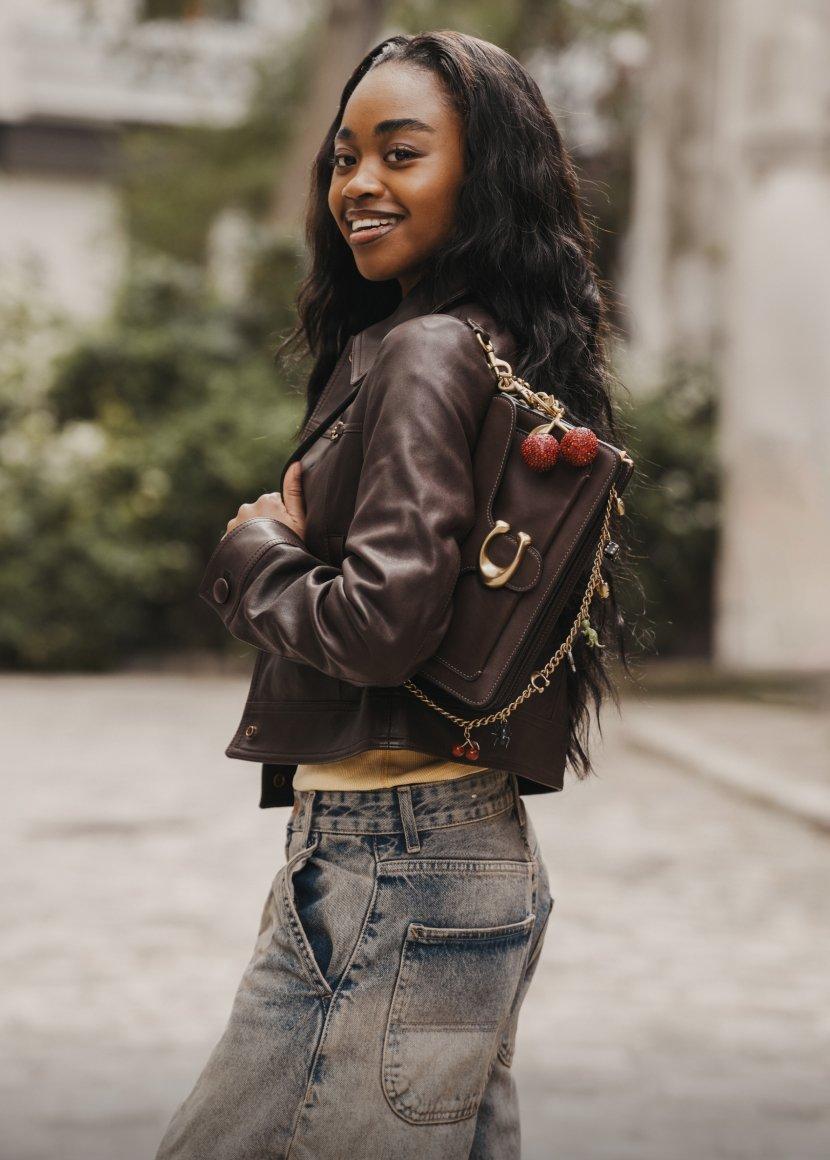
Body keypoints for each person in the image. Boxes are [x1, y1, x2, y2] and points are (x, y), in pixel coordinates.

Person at [155, 29, 632, 1160]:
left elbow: (379, 626)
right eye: (343, 157)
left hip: (393, 855)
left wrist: (253, 546)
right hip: (440, 854)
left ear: (483, 174)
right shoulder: (497, 347)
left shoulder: (423, 353)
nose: (357, 184)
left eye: (401, 154)